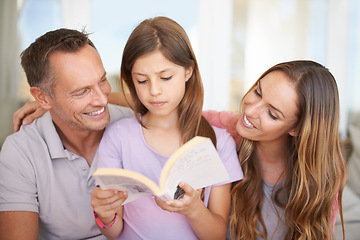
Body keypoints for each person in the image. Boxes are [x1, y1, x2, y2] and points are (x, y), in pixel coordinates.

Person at [90, 16, 243, 240]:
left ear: (188, 72)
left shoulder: (219, 143)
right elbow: (114, 233)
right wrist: (105, 216)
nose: (154, 91)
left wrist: (193, 209)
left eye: (166, 77)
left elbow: (217, 235)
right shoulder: (118, 136)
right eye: (142, 81)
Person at [0, 28, 133, 240]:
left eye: (102, 80)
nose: (102, 100)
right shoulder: (21, 151)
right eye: (82, 91)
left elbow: (177, 106)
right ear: (42, 98)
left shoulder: (133, 123)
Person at [204, 60, 346, 239]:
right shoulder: (221, 130)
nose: (250, 111)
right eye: (257, 92)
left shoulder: (322, 179)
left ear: (297, 129)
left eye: (272, 114)